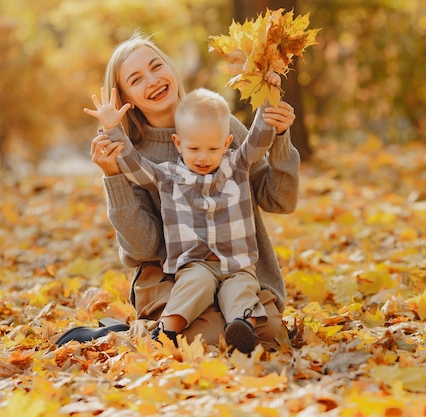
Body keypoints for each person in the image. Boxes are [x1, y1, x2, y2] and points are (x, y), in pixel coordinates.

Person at [55, 31, 299, 352]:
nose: (153, 80)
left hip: (236, 270)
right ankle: (119, 336)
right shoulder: (133, 156)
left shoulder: (215, 123)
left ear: (170, 67)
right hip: (173, 280)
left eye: (156, 67)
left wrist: (279, 135)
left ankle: (189, 325)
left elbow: (279, 200)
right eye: (136, 79)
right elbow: (143, 248)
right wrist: (113, 176)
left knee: (269, 334)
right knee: (201, 339)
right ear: (123, 96)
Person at [84, 83, 286, 353]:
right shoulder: (168, 177)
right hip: (195, 265)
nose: (204, 157)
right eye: (194, 149)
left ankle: (242, 326)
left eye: (213, 149)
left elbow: (259, 138)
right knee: (195, 285)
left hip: (237, 265)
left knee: (241, 292)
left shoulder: (236, 165)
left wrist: (269, 95)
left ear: (227, 144)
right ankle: (165, 331)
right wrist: (111, 128)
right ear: (178, 144)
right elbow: (132, 163)